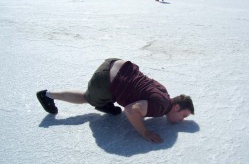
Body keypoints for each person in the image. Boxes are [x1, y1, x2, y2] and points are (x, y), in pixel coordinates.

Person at [37, 58, 194, 143]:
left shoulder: (164, 93)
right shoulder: (161, 107)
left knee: (113, 107)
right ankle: (48, 95)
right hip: (106, 80)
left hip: (117, 64)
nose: (181, 121)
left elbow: (140, 91)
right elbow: (131, 110)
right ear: (176, 107)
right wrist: (144, 132)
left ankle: (105, 104)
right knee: (87, 98)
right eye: (184, 116)